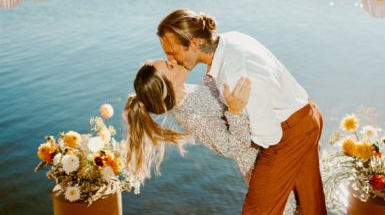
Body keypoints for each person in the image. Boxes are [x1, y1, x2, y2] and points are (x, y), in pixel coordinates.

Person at [157, 9, 327, 215]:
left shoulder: (235, 75)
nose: (172, 59)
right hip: (307, 114)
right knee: (310, 205)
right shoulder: (232, 39)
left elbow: (269, 136)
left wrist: (235, 115)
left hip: (289, 133)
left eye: (172, 52)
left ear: (194, 44)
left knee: (258, 209)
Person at [123, 59, 298, 214]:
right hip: (262, 166)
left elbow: (213, 99)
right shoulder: (190, 115)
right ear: (167, 86)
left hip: (275, 151)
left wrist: (212, 66)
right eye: (169, 65)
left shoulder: (186, 92)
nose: (174, 61)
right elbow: (232, 148)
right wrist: (235, 112)